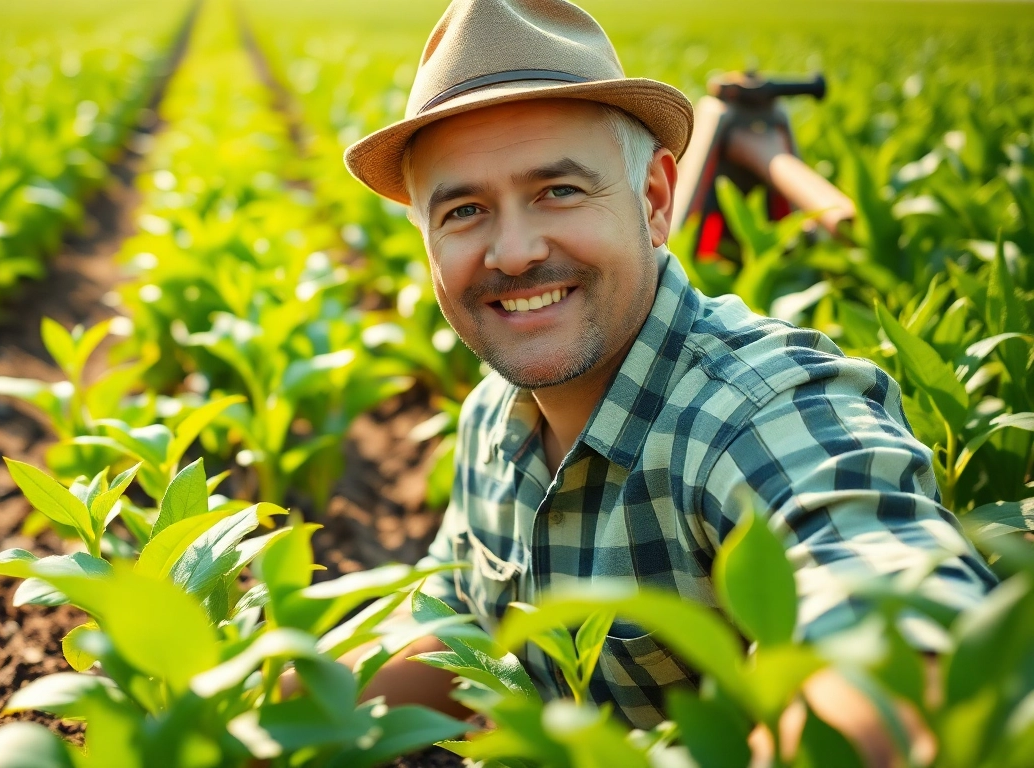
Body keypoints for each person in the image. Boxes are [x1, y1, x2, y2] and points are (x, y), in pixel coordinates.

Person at [328, 0, 997, 763]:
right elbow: (458, 624)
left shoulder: (757, 411)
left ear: (653, 200)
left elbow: (898, 634)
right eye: (464, 210)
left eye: (559, 191)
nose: (513, 252)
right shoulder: (493, 415)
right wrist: (265, 707)